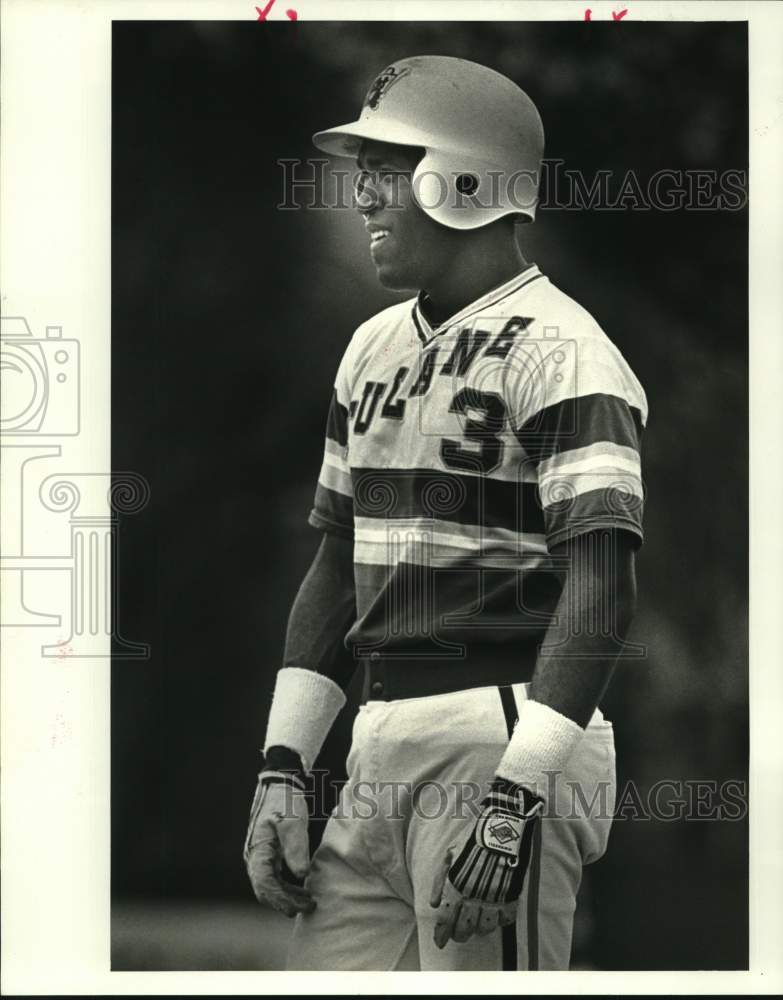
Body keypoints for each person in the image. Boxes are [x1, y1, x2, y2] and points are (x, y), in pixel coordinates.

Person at [244, 55, 647, 971]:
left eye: (386, 168)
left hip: (500, 735)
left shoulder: (564, 348)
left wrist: (515, 803)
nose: (365, 197)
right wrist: (283, 762)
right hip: (377, 739)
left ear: (463, 180)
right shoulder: (371, 345)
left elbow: (604, 582)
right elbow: (339, 560)